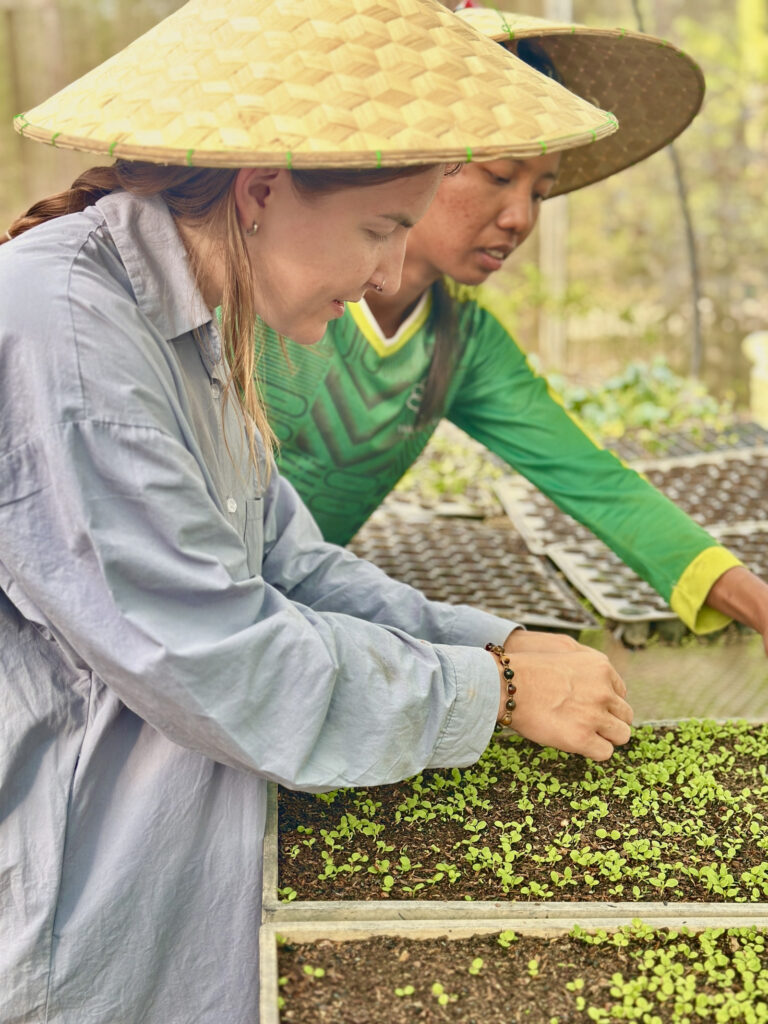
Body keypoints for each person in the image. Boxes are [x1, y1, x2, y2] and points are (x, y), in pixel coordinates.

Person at [0, 1, 632, 1021]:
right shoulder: (65, 334)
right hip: (69, 920)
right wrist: (494, 692)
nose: (390, 273)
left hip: (168, 881)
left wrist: (498, 639)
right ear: (259, 192)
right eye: (381, 230)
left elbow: (289, 561)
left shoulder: (195, 327)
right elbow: (219, 657)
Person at [263, 5, 768, 655]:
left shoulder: (461, 345)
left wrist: (755, 601)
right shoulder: (279, 302)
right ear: (421, 161)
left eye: (539, 192)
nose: (519, 217)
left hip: (297, 618)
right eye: (500, 177)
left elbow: (596, 483)